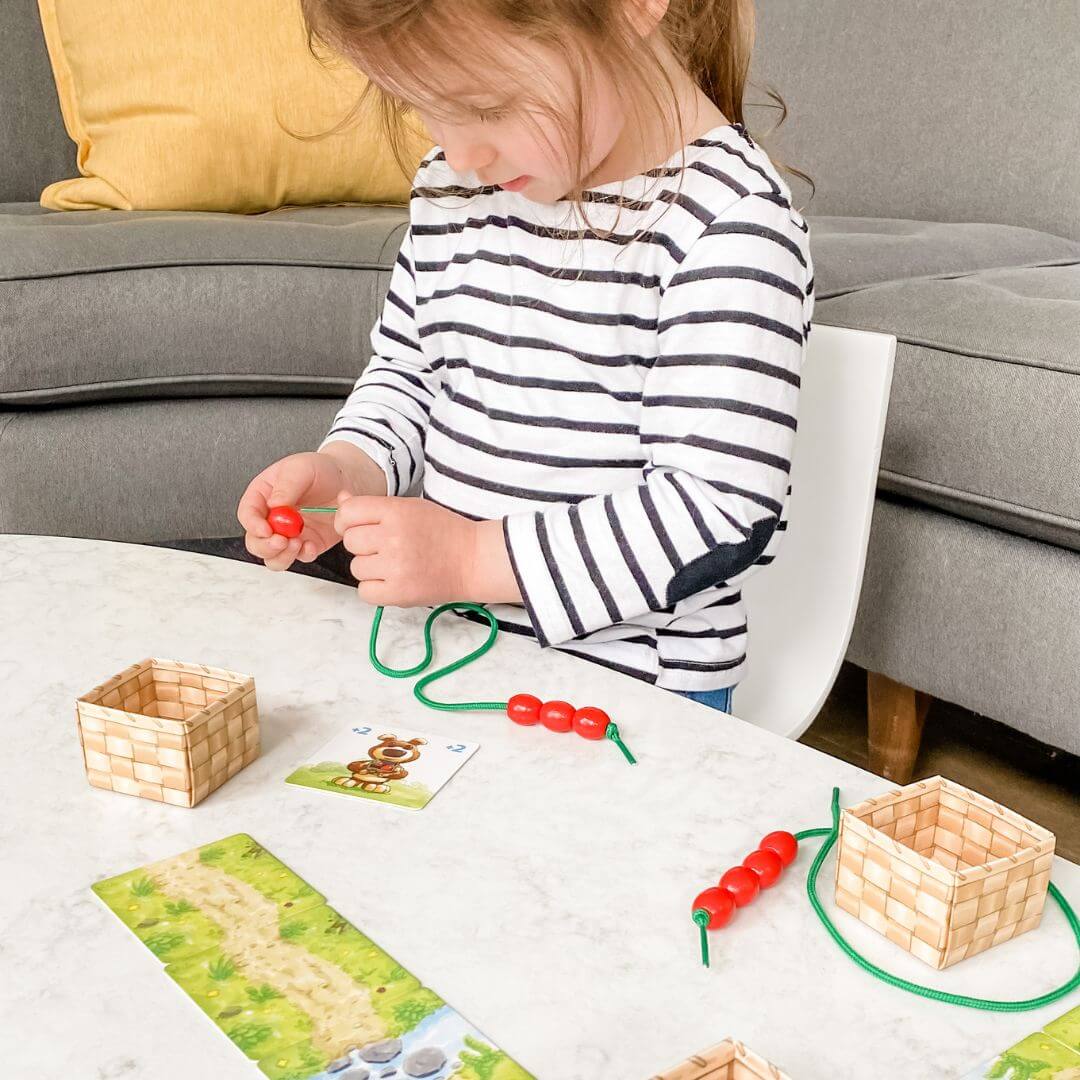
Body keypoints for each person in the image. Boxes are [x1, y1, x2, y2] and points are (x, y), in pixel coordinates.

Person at [237, 0, 816, 716]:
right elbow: (411, 375)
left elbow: (719, 511)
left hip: (632, 693)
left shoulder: (730, 227)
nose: (459, 153)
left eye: (487, 104)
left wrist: (470, 560)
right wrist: (349, 468)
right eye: (424, 107)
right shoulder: (458, 189)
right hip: (450, 654)